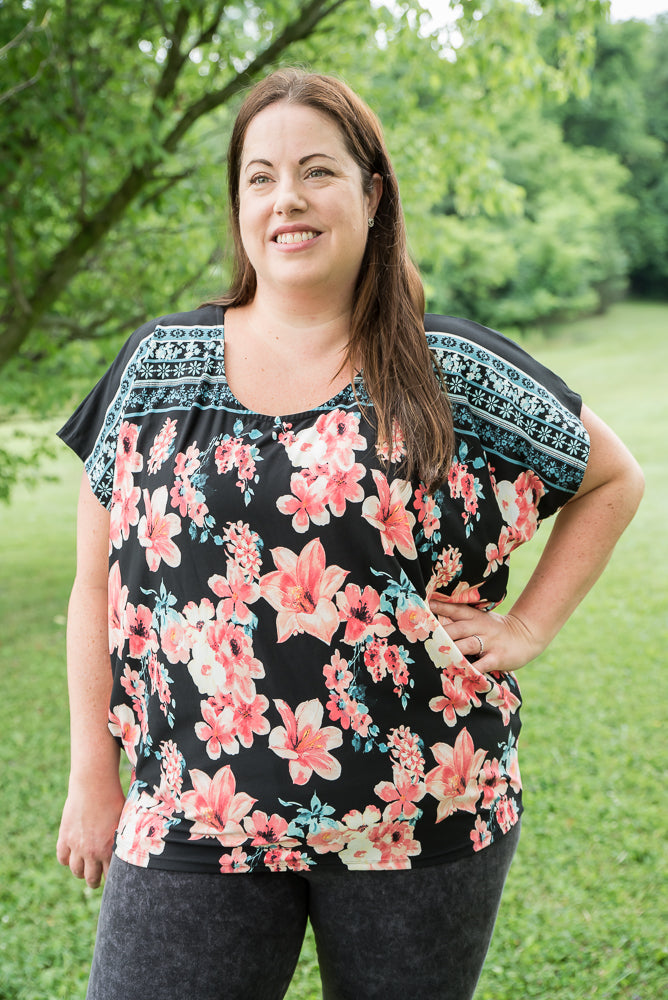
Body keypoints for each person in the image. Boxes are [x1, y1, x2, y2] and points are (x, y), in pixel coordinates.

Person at [56, 68, 644, 1000]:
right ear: (241, 205)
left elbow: (613, 476)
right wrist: (94, 770)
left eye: (317, 170)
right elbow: (96, 587)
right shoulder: (156, 370)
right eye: (260, 176)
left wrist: (529, 627)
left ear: (373, 195)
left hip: (419, 814)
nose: (286, 197)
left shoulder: (449, 366)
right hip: (192, 814)